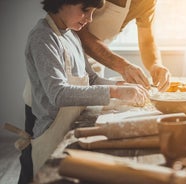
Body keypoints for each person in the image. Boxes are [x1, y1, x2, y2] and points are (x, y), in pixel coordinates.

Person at [18, 0, 148, 183]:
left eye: (94, 12)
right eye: (85, 10)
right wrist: (114, 92)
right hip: (50, 136)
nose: (90, 18)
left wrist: (121, 86)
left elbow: (91, 79)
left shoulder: (71, 35)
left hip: (71, 128)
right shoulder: (43, 37)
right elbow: (58, 94)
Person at [76, 0, 171, 92]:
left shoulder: (147, 2)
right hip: (69, 54)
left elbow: (147, 42)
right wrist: (123, 66)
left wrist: (155, 64)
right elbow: (80, 34)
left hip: (96, 64)